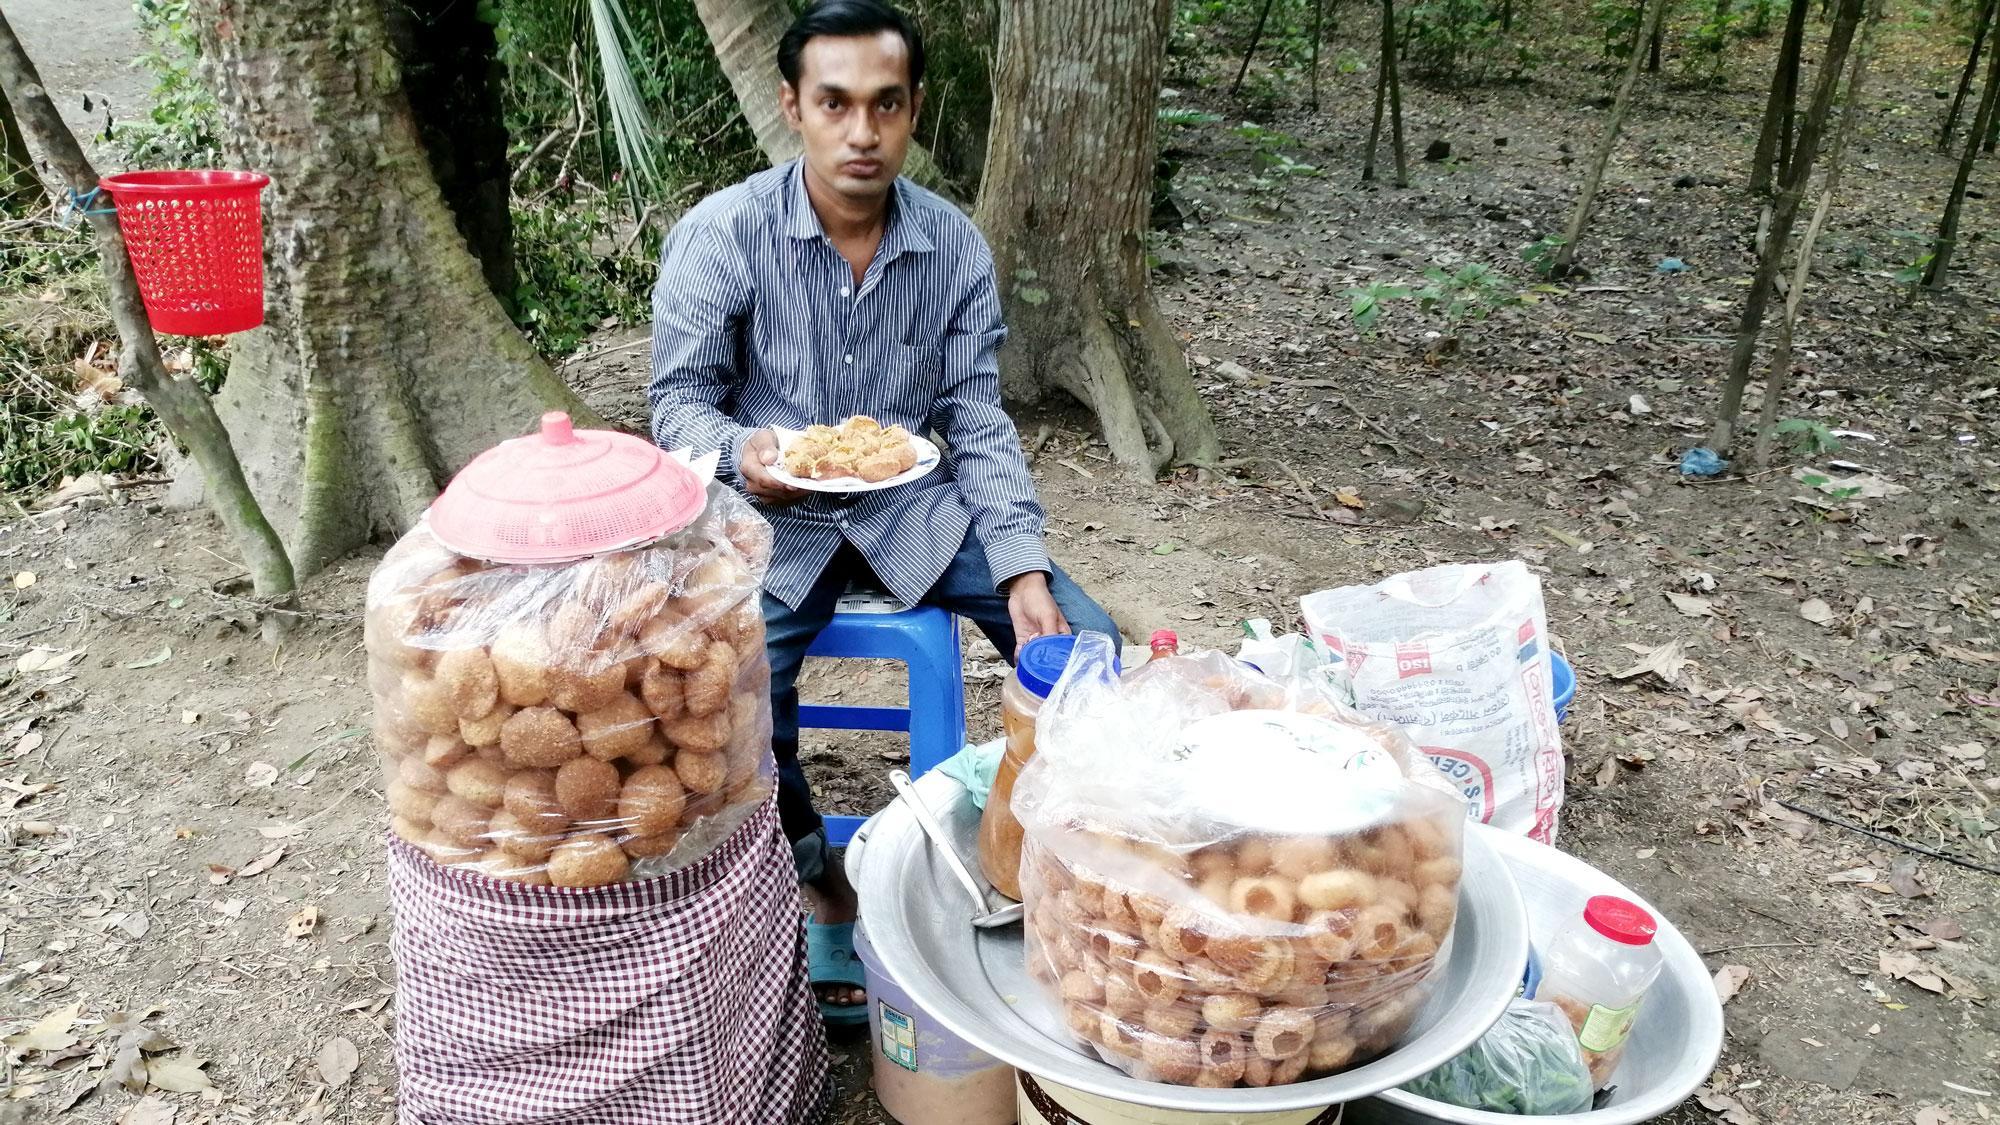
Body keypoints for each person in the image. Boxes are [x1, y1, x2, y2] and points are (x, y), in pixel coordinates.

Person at [647, 0, 1121, 1024]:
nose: (860, 133)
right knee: (730, 702)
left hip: (913, 505)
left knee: (1087, 649)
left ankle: (1040, 865)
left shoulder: (948, 244)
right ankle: (820, 877)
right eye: (834, 104)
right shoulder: (722, 234)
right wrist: (745, 454)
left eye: (884, 105)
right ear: (793, 108)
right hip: (772, 523)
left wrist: (1022, 567)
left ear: (910, 112)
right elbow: (676, 406)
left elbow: (973, 416)